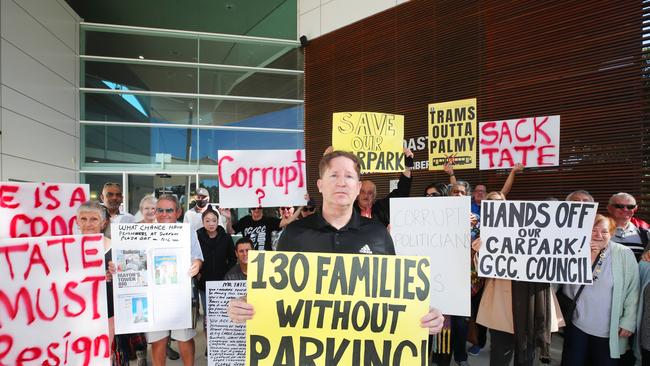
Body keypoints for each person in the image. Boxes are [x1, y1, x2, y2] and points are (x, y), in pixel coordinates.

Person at [227, 150, 444, 336]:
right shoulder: (294, 233)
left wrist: (424, 313)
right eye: (334, 175)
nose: (341, 182)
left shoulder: (378, 235)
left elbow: (397, 294)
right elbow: (274, 290)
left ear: (358, 186)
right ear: (320, 185)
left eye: (349, 176)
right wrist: (245, 303)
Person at [476, 191, 564, 366]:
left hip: (533, 301)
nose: (496, 206)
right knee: (500, 355)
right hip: (501, 303)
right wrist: (480, 250)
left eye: (500, 201)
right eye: (492, 202)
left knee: (526, 356)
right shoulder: (484, 231)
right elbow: (482, 270)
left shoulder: (543, 231)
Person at [560, 214, 639, 365]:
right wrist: (589, 258)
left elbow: (633, 290)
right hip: (578, 324)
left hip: (610, 329)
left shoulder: (624, 254)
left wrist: (628, 321)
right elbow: (569, 287)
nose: (598, 235)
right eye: (593, 230)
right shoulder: (575, 251)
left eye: (604, 231)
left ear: (612, 233)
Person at [147, 194, 203, 366]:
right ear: (155, 212)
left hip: (181, 294)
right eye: (160, 210)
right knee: (158, 340)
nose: (164, 214)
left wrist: (196, 265)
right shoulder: (145, 232)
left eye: (169, 210)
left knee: (184, 338)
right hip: (154, 295)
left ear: (178, 212)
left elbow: (197, 257)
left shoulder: (188, 231)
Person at [353, 147, 414, 226]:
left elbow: (402, 192)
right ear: (357, 194)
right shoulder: (348, 209)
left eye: (370, 193)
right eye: (362, 192)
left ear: (374, 196)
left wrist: (407, 166)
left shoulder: (381, 208)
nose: (366, 195)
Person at [444, 162, 523, 215]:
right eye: (477, 191)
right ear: (473, 193)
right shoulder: (466, 204)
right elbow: (455, 191)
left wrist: (513, 172)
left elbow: (503, 192)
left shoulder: (491, 204)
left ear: (487, 194)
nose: (480, 193)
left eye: (482, 191)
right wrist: (451, 174)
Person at [607, 192, 649, 261]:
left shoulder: (645, 233)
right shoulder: (597, 231)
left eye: (630, 207)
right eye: (619, 206)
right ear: (609, 208)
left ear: (635, 209)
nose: (625, 209)